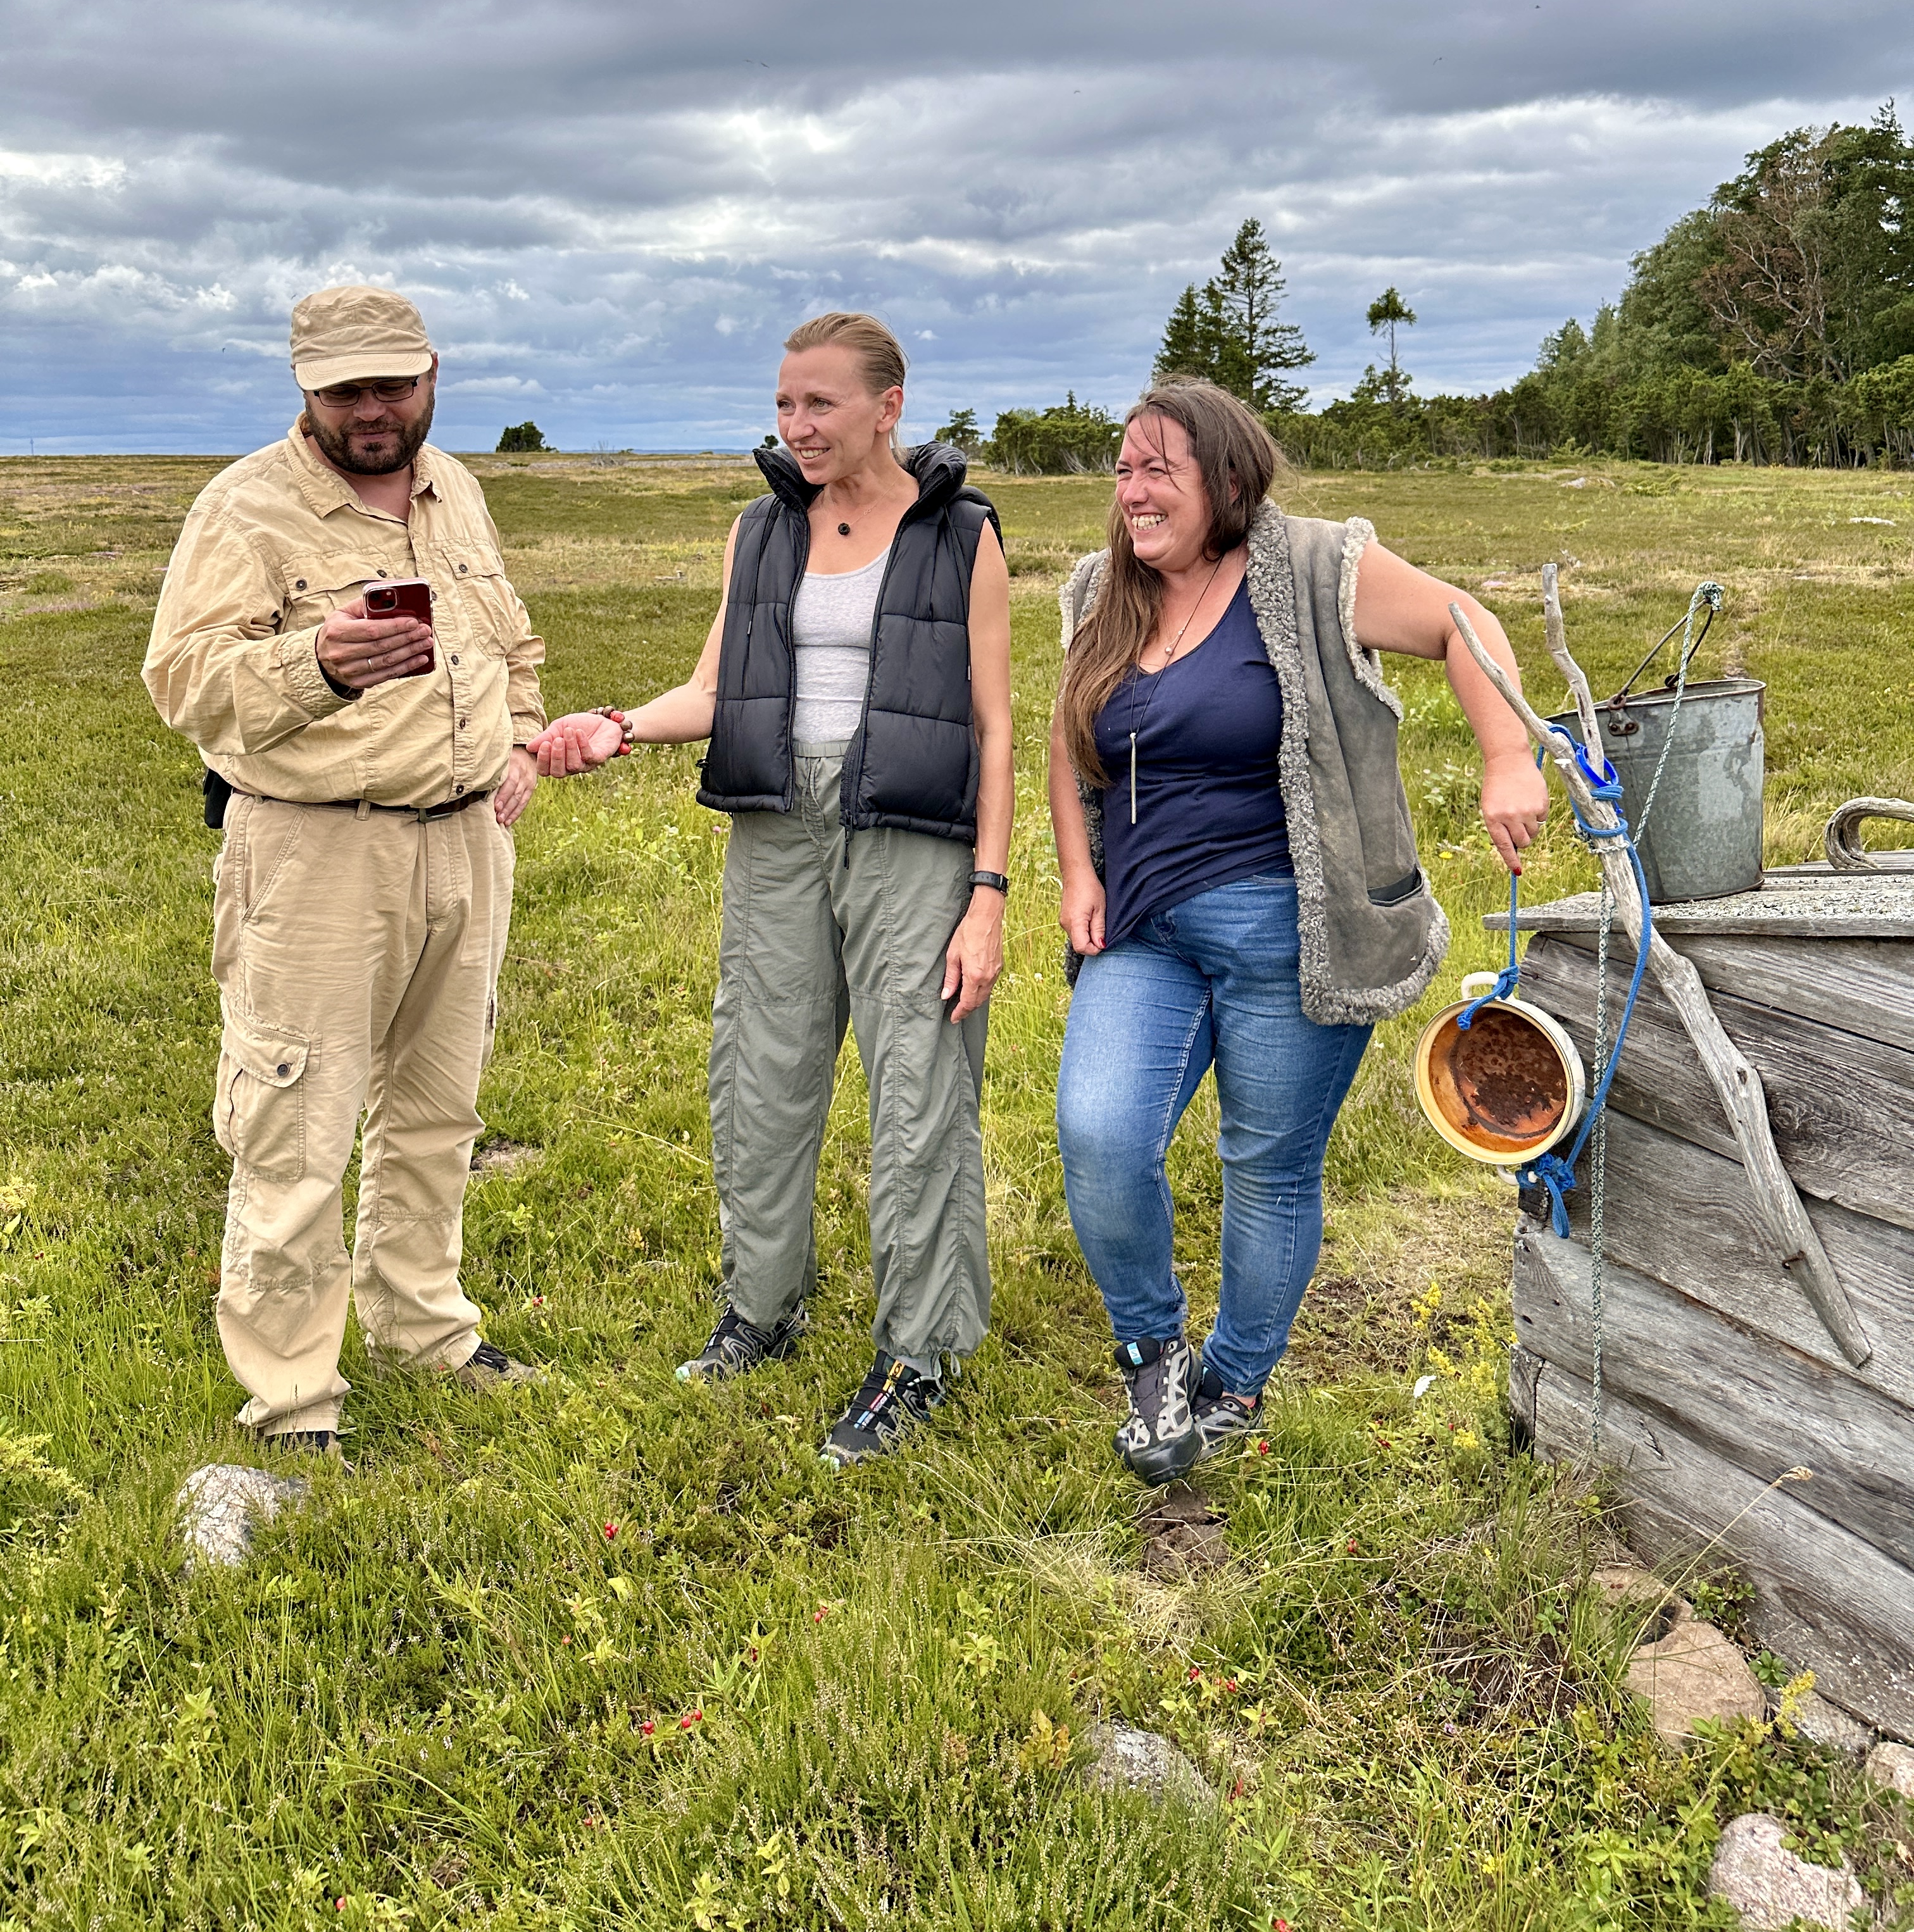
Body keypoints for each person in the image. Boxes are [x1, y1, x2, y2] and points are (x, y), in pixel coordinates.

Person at [1049, 379, 1548, 1486]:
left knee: (1269, 1164)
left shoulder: (1319, 566)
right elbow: (1067, 737)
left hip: (1298, 925)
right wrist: (1079, 870)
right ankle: (1153, 1357)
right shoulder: (1101, 590)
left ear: (1228, 480)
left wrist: (1508, 755)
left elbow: (1463, 624)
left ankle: (1234, 1384)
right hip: (1141, 927)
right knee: (1100, 1135)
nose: (1132, 493)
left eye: (1157, 470)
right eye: (1123, 471)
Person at [535, 312, 1013, 1465]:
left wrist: (988, 894)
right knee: (761, 1069)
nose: (797, 425)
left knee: (919, 1085)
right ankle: (763, 1307)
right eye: (786, 403)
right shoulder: (760, 530)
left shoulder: (961, 535)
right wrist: (617, 727)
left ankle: (918, 1355)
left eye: (821, 403)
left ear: (888, 408)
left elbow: (996, 726)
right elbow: (715, 690)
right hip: (778, 826)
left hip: (910, 833)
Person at [142, 285, 547, 1458]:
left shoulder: (454, 488)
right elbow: (184, 682)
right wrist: (316, 662)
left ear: (433, 375)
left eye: (394, 385)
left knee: (438, 1109)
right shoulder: (244, 508)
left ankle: (424, 1331)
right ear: (305, 389)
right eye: (346, 391)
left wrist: (523, 737)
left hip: (465, 843)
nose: (374, 410)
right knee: (297, 1125)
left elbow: (511, 642)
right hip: (317, 851)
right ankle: (292, 1399)